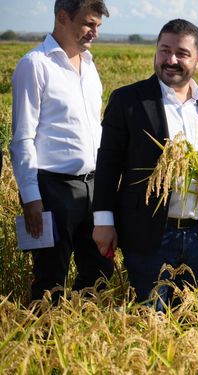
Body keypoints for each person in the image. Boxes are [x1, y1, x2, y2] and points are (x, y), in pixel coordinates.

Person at [92, 19, 198, 309]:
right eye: (164, 50)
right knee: (149, 318)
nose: (171, 60)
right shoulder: (129, 100)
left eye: (181, 53)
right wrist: (103, 222)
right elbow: (107, 165)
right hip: (149, 235)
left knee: (190, 321)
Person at [10, 0, 113, 302]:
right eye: (89, 24)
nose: (94, 32)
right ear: (63, 17)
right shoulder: (35, 64)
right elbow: (22, 138)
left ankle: (83, 337)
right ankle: (43, 342)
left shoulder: (90, 66)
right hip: (51, 188)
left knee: (99, 271)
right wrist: (31, 198)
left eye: (98, 26)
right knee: (50, 277)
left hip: (93, 186)